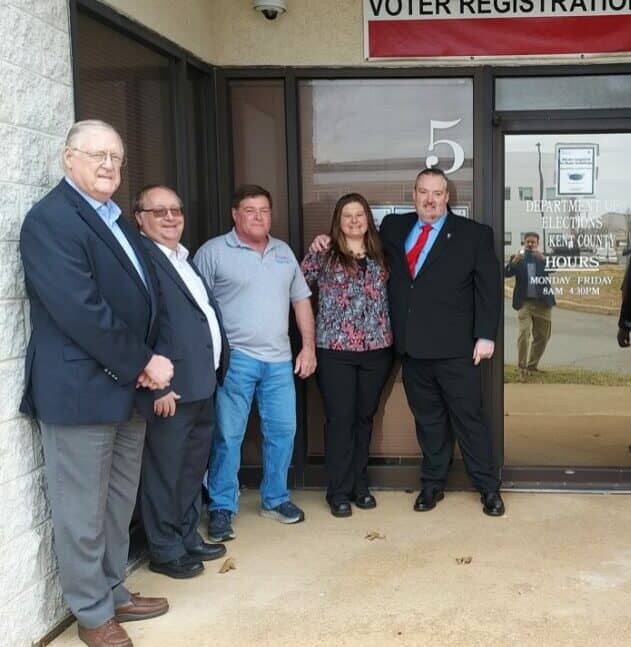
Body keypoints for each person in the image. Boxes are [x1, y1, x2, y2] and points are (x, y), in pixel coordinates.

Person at [20, 120, 173, 647]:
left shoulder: (113, 219)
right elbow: (80, 311)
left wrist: (147, 364)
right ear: (68, 159)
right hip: (81, 390)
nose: (109, 165)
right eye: (96, 155)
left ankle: (113, 590)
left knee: (115, 502)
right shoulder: (51, 221)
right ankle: (90, 613)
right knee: (80, 509)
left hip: (124, 388)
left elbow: (141, 294)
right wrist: (144, 363)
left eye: (116, 156)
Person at [311, 168, 504, 516]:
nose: (430, 200)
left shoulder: (473, 235)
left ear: (448, 197)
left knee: (468, 418)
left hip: (457, 348)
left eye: (437, 193)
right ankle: (432, 484)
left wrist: (485, 335)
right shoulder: (394, 229)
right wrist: (322, 240)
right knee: (427, 421)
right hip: (411, 349)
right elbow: (355, 246)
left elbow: (488, 290)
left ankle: (488, 487)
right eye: (423, 192)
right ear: (413, 195)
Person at [194, 184, 316, 542]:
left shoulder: (283, 252)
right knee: (228, 436)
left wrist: (307, 347)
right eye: (250, 210)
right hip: (236, 360)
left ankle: (275, 499)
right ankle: (221, 506)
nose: (259, 216)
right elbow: (196, 307)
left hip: (279, 361)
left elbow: (301, 301)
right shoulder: (213, 252)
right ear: (235, 214)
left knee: (282, 432)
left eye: (264, 210)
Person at [133, 185, 230, 579]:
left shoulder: (181, 258)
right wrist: (157, 385)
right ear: (140, 217)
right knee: (164, 472)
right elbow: (140, 326)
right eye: (160, 212)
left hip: (201, 384)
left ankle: (187, 535)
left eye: (176, 210)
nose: (171, 217)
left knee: (191, 468)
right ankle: (165, 549)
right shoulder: (143, 260)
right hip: (170, 388)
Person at [301, 194, 394, 518]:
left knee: (364, 419)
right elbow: (297, 289)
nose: (354, 221)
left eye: (359, 215)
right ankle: (338, 491)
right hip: (335, 350)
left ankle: (360, 485)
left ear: (368, 219)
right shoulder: (323, 253)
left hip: (377, 350)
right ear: (337, 221)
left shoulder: (382, 254)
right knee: (340, 421)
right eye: (347, 216)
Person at [504, 231, 556, 373]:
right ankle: (521, 367)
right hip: (524, 303)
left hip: (543, 303)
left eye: (533, 242)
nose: (530, 244)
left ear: (537, 244)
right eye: (528, 242)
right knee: (524, 334)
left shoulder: (543, 258)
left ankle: (532, 366)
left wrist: (544, 258)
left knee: (543, 336)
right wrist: (513, 262)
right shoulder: (518, 258)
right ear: (524, 243)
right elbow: (506, 273)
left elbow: (555, 268)